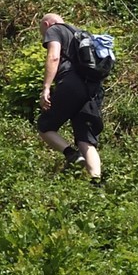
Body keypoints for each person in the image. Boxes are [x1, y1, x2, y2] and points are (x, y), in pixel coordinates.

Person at [36, 10, 108, 183]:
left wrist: (46, 88)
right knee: (85, 140)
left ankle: (72, 155)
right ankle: (97, 183)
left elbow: (54, 57)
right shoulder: (81, 34)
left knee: (44, 126)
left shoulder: (55, 30)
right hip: (92, 89)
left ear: (47, 25)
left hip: (71, 84)